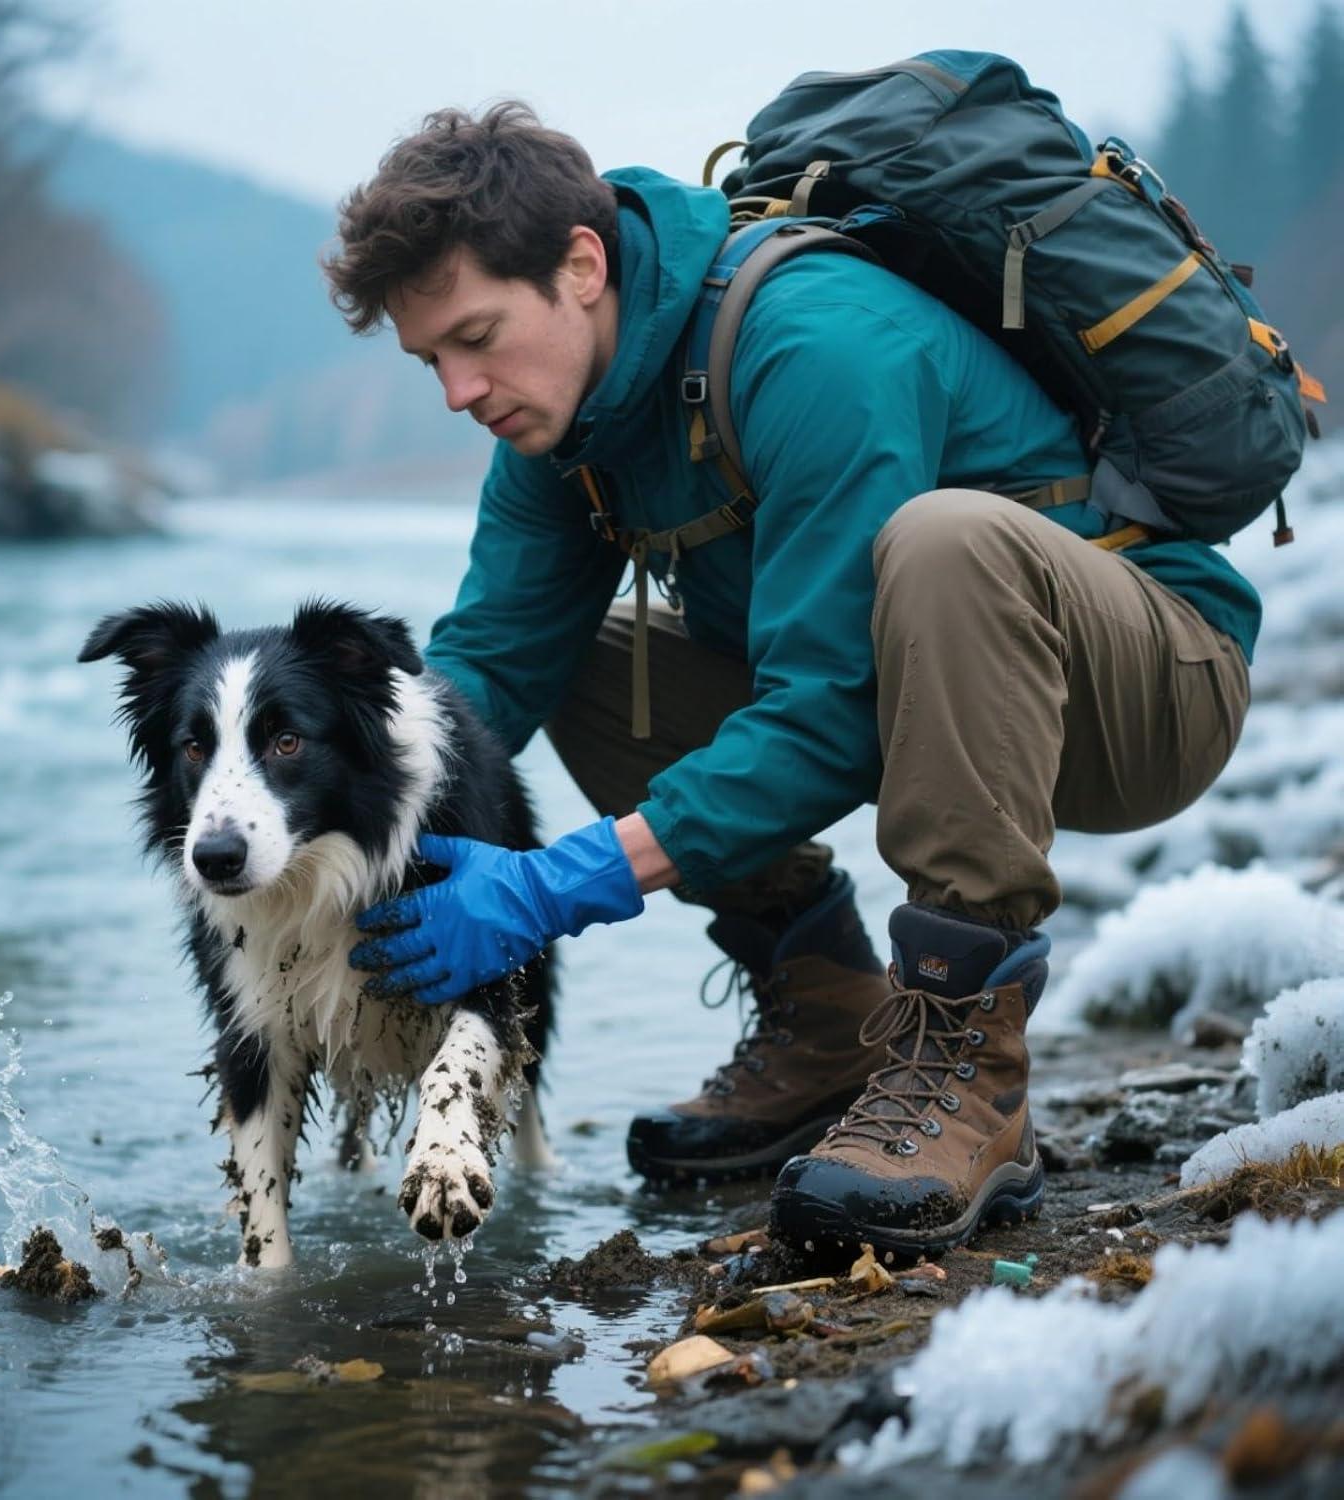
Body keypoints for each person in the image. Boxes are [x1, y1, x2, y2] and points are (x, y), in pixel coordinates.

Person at [331, 103, 1254, 1258]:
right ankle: (825, 1012)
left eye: (477, 337)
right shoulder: (562, 427)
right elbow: (479, 681)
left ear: (580, 266)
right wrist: (333, 827)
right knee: (586, 664)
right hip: (917, 697)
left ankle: (968, 1067)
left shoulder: (813, 343)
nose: (459, 393)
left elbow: (824, 714)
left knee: (945, 543)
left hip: (1148, 686)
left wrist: (557, 883)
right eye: (432, 362)